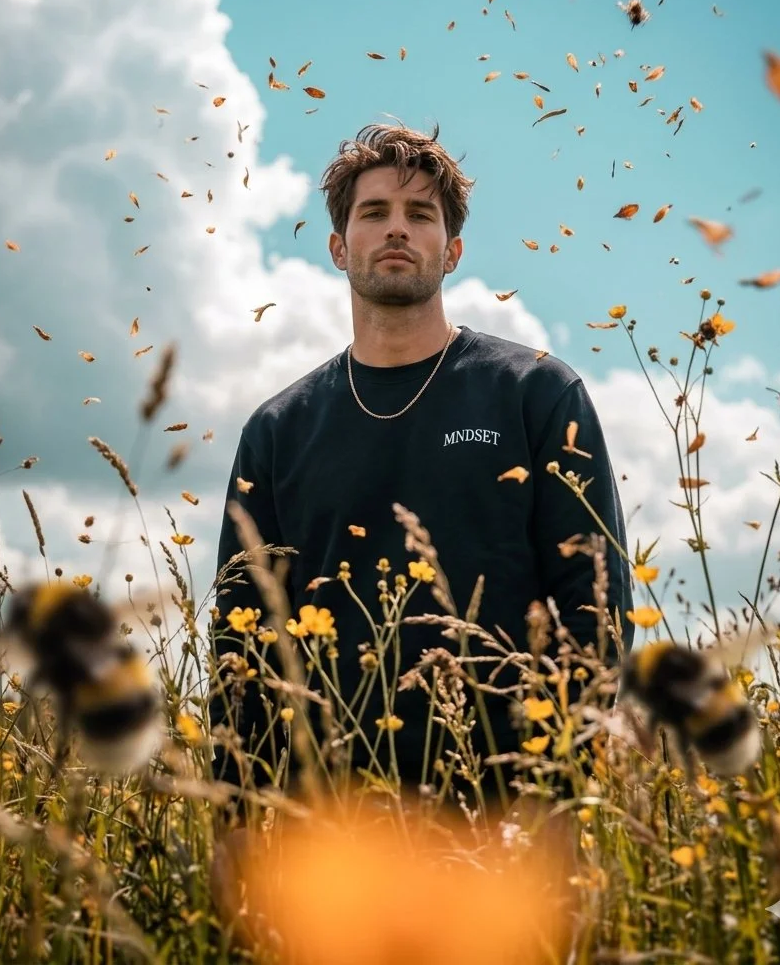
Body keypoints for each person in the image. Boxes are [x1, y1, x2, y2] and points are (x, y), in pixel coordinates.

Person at [209, 121, 634, 817]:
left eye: (420, 215)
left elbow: (598, 613)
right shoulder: (278, 430)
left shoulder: (536, 393)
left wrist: (557, 796)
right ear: (339, 248)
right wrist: (234, 820)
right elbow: (239, 639)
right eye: (373, 213)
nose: (396, 230)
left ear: (453, 249)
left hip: (503, 811)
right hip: (329, 833)